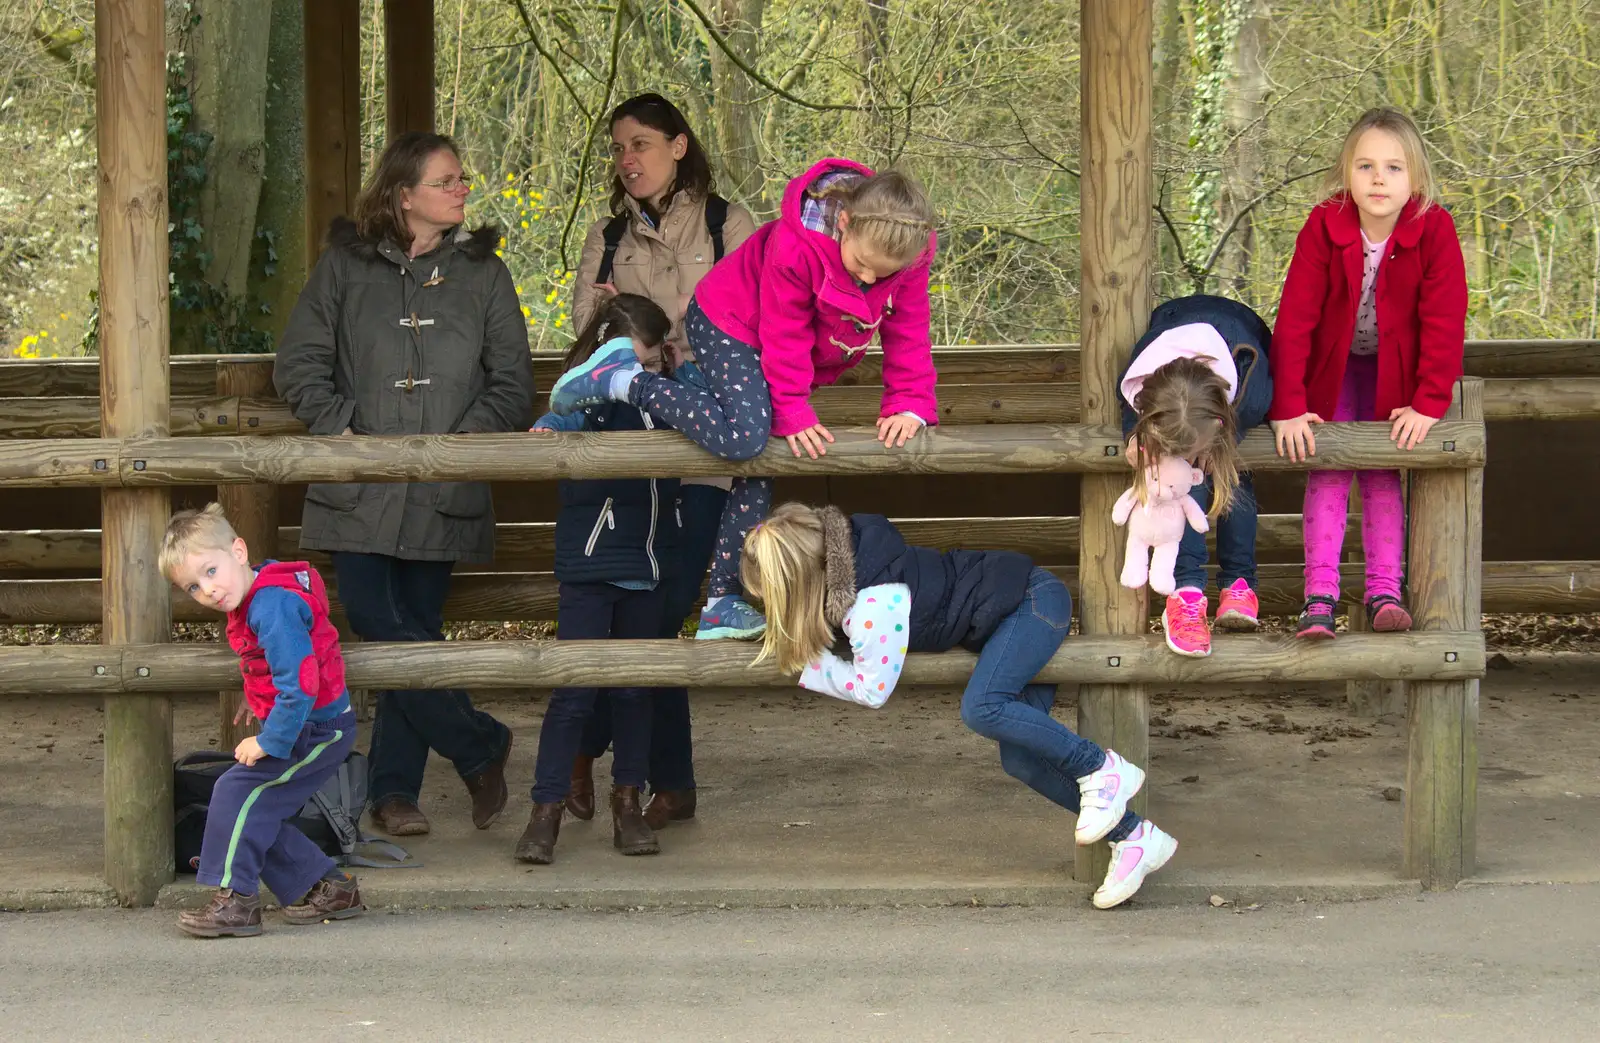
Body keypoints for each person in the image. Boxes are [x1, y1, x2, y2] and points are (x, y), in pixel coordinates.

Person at [546, 158, 940, 643]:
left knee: (762, 454)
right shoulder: (797, 247)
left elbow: (908, 330)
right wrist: (792, 408)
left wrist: (909, 400)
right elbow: (784, 331)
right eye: (860, 265)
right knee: (748, 434)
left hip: (782, 353)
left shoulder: (907, 256)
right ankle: (625, 381)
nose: (868, 282)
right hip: (729, 323)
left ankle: (721, 599)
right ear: (844, 222)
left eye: (884, 276)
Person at [274, 130, 536, 837]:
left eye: (460, 179)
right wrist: (346, 432)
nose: (462, 189)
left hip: (445, 489)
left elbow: (513, 383)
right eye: (447, 180)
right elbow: (298, 363)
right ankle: (478, 743)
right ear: (404, 194)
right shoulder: (342, 269)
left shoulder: (485, 275)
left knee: (414, 632)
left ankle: (393, 793)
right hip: (355, 485)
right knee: (377, 620)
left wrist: (458, 449)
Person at [741, 503, 1179, 910]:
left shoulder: (874, 601)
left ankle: (1101, 766)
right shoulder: (858, 556)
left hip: (1033, 601)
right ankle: (1136, 837)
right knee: (1021, 762)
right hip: (1008, 619)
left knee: (982, 707)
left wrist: (808, 668)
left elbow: (872, 688)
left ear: (801, 583)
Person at [567, 93, 759, 829]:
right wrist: (644, 326)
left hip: (705, 447)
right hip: (627, 451)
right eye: (619, 148)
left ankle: (588, 750)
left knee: (661, 607)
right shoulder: (607, 233)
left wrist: (645, 317)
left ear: (679, 146)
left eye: (641, 144)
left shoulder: (727, 224)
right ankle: (670, 783)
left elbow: (744, 326)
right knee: (645, 617)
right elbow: (591, 339)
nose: (628, 160)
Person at [1269, 107, 1468, 639]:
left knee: (1383, 468)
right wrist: (1288, 405)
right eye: (1366, 166)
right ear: (1346, 175)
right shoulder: (1322, 225)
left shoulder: (1435, 230)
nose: (1379, 178)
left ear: (1417, 179)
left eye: (1394, 168)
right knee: (1328, 464)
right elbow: (1295, 320)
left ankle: (1384, 591)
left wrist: (1429, 401)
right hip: (1332, 369)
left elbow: (1445, 319)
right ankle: (1319, 598)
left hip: (1393, 371)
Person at [516, 296, 683, 863]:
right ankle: (545, 810)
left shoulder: (665, 397)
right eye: (638, 362)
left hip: (648, 564)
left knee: (636, 692)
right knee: (574, 692)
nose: (644, 375)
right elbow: (560, 419)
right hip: (593, 566)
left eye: (654, 364)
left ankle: (627, 803)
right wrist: (546, 429)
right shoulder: (587, 394)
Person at [160, 504, 364, 938]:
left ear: (238, 550)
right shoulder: (259, 594)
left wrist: (270, 740)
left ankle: (236, 901)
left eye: (211, 571)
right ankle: (330, 888)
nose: (208, 591)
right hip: (304, 722)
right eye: (193, 586)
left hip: (317, 731)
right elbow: (274, 667)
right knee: (255, 809)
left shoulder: (271, 604)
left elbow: (302, 682)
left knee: (235, 793)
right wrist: (258, 700)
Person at [1119, 294, 1272, 657]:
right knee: (1180, 489)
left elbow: (1258, 405)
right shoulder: (1142, 376)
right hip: (1173, 324)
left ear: (1220, 420)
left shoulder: (1250, 385)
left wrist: (1223, 444)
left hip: (1244, 330)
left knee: (1232, 476)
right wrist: (1134, 436)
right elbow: (1127, 400)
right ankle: (1186, 594)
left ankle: (1239, 585)